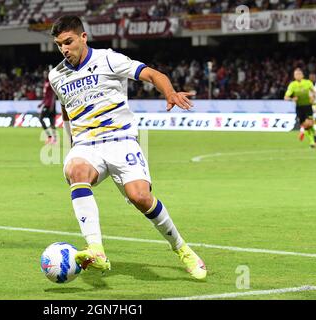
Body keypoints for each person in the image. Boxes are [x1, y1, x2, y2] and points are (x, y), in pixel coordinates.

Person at [48, 15, 207, 280]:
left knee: (140, 198)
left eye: (68, 42)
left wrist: (169, 92)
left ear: (83, 37)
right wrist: (71, 140)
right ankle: (96, 248)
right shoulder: (56, 75)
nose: (64, 49)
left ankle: (182, 249)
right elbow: (66, 108)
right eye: (59, 45)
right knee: (76, 170)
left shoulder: (109, 59)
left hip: (121, 141)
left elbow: (152, 74)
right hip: (87, 144)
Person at [284, 68, 316, 148]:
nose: (298, 76)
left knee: (309, 123)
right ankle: (312, 140)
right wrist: (292, 99)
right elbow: (286, 97)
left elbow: (313, 92)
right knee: (308, 125)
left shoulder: (308, 83)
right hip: (299, 108)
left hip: (308, 106)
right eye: (296, 74)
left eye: (299, 74)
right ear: (294, 76)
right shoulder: (292, 85)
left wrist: (313, 97)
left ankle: (307, 135)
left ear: (302, 75)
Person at [38, 69, 57, 144]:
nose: (45, 75)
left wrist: (52, 105)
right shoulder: (45, 83)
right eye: (44, 74)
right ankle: (52, 139)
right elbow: (46, 96)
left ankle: (51, 138)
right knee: (51, 122)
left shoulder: (50, 83)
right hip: (46, 104)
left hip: (50, 105)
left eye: (46, 73)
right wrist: (41, 103)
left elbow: (53, 94)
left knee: (42, 119)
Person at [309, 73, 316, 140]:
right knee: (312, 122)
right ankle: (315, 137)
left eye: (313, 77)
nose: (312, 78)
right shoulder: (307, 86)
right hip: (310, 106)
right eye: (311, 77)